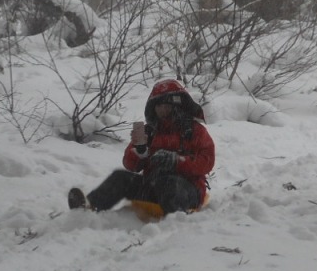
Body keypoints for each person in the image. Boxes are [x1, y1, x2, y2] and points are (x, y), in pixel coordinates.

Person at [68, 79, 215, 214]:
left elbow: (207, 162)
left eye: (166, 106)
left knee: (169, 184)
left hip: (188, 190)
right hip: (153, 188)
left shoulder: (195, 131)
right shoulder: (147, 131)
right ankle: (88, 208)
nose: (162, 110)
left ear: (177, 105)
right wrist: (141, 152)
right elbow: (128, 164)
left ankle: (175, 222)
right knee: (120, 178)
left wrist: (177, 161)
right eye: (158, 106)